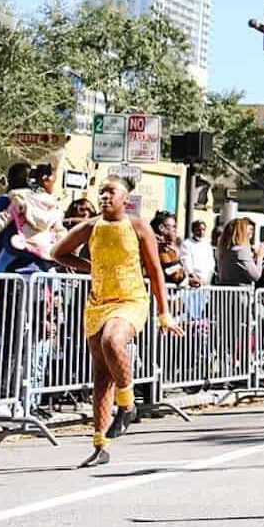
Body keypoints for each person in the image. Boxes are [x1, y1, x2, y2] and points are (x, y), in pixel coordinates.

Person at [51, 178, 182, 468]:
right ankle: (100, 444)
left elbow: (155, 270)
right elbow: (57, 253)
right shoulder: (90, 227)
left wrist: (164, 312)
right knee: (101, 374)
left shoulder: (138, 226)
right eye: (102, 192)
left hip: (130, 300)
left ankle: (128, 404)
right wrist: (91, 267)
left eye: (111, 192)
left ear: (125, 198)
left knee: (113, 339)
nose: (105, 196)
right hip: (98, 303)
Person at [215, 217, 264, 287]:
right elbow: (255, 276)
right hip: (240, 294)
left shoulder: (224, 250)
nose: (250, 233)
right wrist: (260, 257)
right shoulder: (241, 251)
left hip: (225, 294)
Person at [151, 213, 188, 287]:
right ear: (161, 227)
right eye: (173, 227)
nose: (175, 230)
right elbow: (179, 278)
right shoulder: (161, 249)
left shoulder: (159, 246)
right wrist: (176, 256)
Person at [182, 219, 215, 288]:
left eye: (203, 230)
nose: (201, 232)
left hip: (205, 281)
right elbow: (186, 261)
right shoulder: (187, 243)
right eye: (198, 229)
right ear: (193, 230)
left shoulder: (207, 245)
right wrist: (193, 276)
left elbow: (211, 263)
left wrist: (208, 279)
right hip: (193, 281)